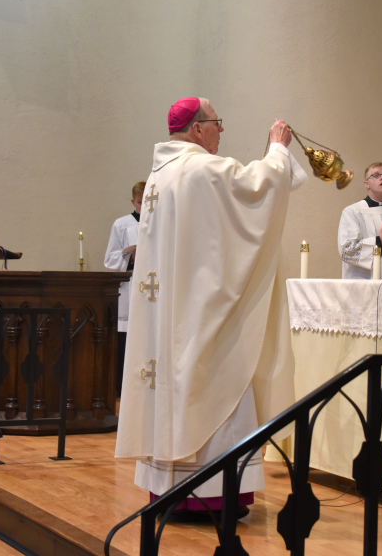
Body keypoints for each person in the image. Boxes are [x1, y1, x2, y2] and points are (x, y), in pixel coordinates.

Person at [115, 97, 307, 517]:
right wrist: (277, 148)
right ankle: (213, 498)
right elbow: (254, 189)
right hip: (200, 316)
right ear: (198, 129)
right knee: (218, 382)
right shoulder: (198, 168)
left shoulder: (161, 174)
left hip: (174, 315)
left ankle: (171, 493)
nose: (222, 131)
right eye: (218, 123)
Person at [104, 180, 145, 396]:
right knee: (125, 342)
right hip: (130, 290)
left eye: (147, 201)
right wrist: (129, 255)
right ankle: (122, 388)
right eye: (140, 202)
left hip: (154, 289)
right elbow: (110, 259)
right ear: (133, 201)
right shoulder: (122, 224)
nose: (143, 206)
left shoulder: (162, 223)